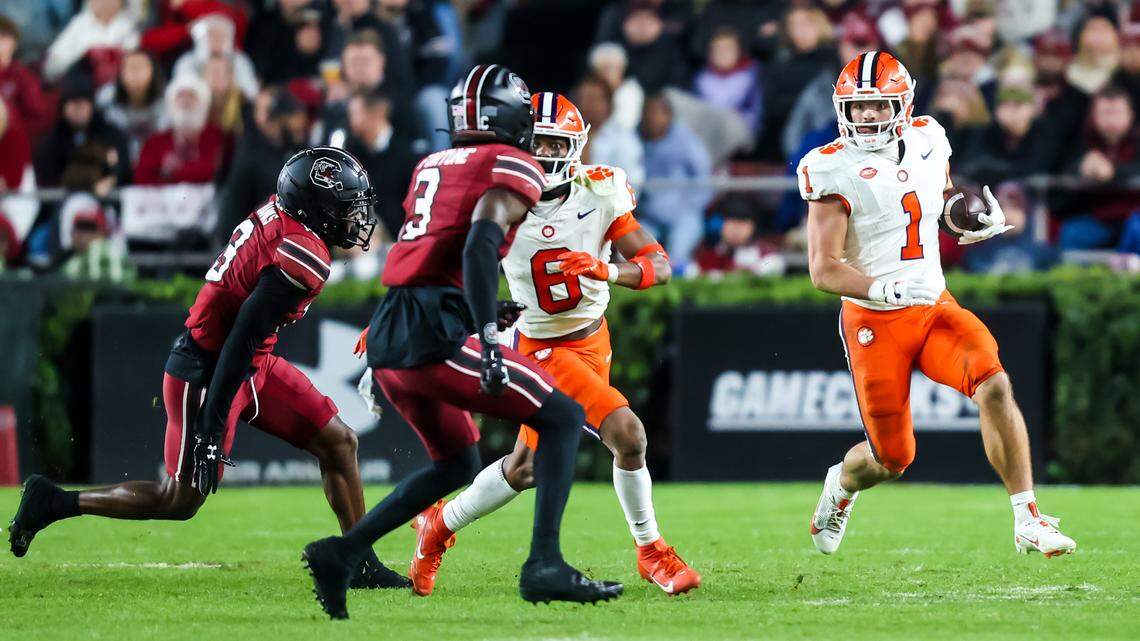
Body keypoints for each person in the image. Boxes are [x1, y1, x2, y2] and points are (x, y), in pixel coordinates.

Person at [8, 146, 411, 590]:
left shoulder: (284, 217)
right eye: (344, 208)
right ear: (316, 209)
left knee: (338, 441)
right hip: (207, 368)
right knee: (179, 500)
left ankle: (359, 562)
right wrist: (211, 426)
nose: (355, 219)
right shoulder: (302, 252)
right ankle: (54, 502)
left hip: (249, 362)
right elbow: (239, 337)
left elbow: (248, 340)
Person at [300, 65, 623, 620]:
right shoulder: (512, 162)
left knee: (456, 463)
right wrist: (491, 337)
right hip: (432, 332)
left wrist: (462, 309)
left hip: (396, 322)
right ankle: (544, 562)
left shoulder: (432, 163)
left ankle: (343, 552)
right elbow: (478, 246)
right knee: (565, 416)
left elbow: (423, 254)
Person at [405, 92, 698, 598]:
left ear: (576, 147)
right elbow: (436, 262)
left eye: (553, 143)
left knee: (525, 468)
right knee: (628, 434)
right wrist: (400, 312)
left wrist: (610, 270)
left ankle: (438, 523)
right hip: (540, 347)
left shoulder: (600, 192)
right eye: (534, 142)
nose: (542, 153)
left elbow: (660, 263)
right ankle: (651, 551)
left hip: (593, 340)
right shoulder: (495, 202)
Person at [797, 51, 1076, 558]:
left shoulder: (928, 136)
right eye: (857, 107)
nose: (866, 116)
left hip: (932, 303)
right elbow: (824, 269)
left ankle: (1028, 518)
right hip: (875, 321)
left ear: (902, 105)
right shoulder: (830, 167)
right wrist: (883, 289)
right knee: (892, 458)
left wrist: (967, 219)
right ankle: (840, 485)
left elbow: (940, 201)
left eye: (878, 105)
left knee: (993, 383)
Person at [638, 93, 713, 274]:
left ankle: (681, 277)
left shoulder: (686, 139)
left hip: (684, 213)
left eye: (658, 113)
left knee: (679, 250)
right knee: (638, 250)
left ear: (669, 116)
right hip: (650, 216)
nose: (652, 118)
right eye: (648, 113)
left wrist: (691, 205)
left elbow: (705, 177)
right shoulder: (636, 138)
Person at [134, 73, 226, 185]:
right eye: (180, 96)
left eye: (191, 96)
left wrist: (171, 173)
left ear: (203, 103)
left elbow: (213, 170)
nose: (185, 101)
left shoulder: (217, 136)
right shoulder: (155, 142)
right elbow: (143, 178)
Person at [42, 0, 139, 83]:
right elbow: (52, 65)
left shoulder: (129, 25)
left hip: (119, 90)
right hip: (83, 88)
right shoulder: (79, 23)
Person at [96, 49, 167, 163]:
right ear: (121, 73)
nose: (135, 73)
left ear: (153, 71)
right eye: (130, 68)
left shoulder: (167, 102)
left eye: (140, 68)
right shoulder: (105, 101)